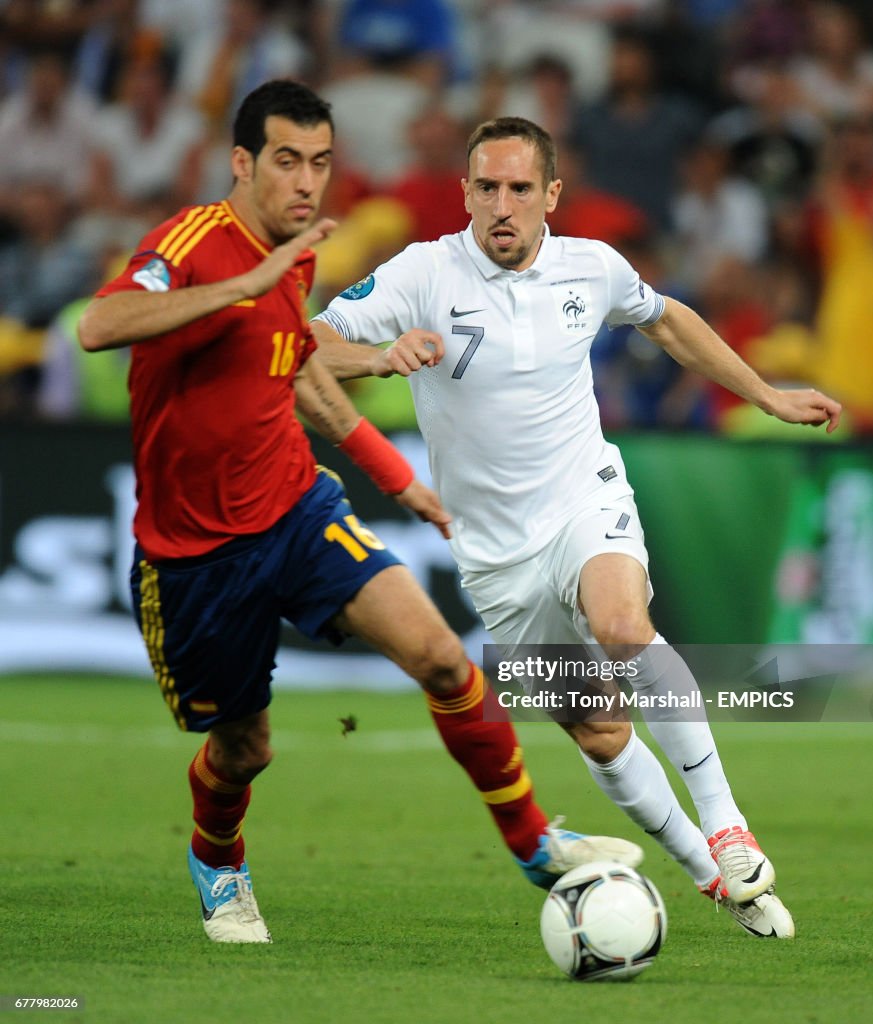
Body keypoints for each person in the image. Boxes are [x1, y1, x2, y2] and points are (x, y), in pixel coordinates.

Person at [76, 83, 641, 945]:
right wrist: (242, 286)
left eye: (321, 163)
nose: (307, 182)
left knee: (446, 664)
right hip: (194, 554)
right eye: (287, 161)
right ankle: (217, 858)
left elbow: (302, 372)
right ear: (243, 163)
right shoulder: (193, 243)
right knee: (244, 751)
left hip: (297, 511)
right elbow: (100, 322)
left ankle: (535, 846)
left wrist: (391, 474)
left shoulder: (296, 255)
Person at [311, 115, 845, 939]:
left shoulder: (592, 267)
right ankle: (711, 876)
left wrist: (765, 394)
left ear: (551, 194)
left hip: (580, 498)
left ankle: (728, 826)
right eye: (485, 187)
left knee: (624, 627)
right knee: (599, 730)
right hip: (492, 553)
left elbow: (665, 320)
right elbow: (305, 342)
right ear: (463, 192)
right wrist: (376, 357)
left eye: (519, 188)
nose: (502, 204)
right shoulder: (420, 274)